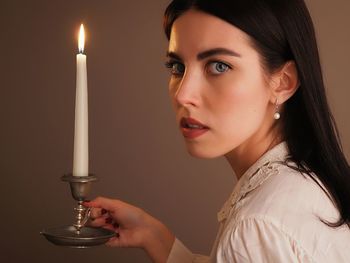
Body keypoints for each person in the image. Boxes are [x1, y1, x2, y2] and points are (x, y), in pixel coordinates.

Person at [84, 0, 350, 262]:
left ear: (283, 82)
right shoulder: (302, 184)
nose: (183, 95)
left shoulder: (257, 227)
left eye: (219, 66)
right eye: (177, 67)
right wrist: (154, 236)